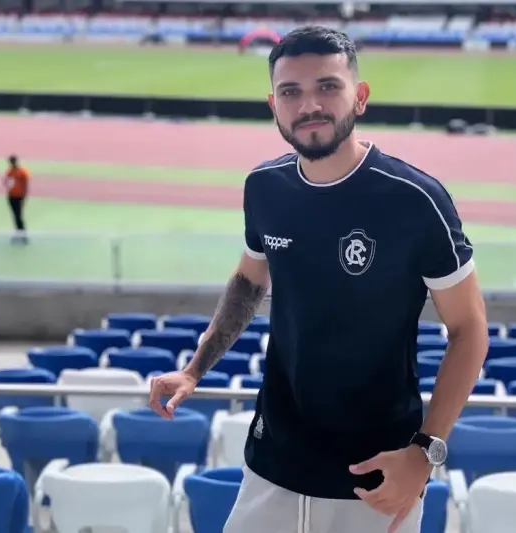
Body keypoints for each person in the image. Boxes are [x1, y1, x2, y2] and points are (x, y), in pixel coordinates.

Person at [149, 25, 488, 533]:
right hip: (272, 462)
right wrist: (195, 370)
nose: (309, 105)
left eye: (328, 86)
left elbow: (470, 330)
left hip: (378, 476)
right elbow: (248, 282)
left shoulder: (416, 200)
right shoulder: (265, 187)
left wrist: (426, 451)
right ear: (274, 106)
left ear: (360, 96)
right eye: (291, 92)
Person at [4, 155, 30, 245]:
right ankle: (17, 232)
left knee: (19, 215)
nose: (11, 163)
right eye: (10, 162)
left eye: (12, 161)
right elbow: (7, 181)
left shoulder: (22, 171)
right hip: (11, 196)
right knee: (15, 215)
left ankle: (23, 235)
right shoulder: (9, 171)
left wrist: (24, 195)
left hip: (19, 196)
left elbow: (26, 183)